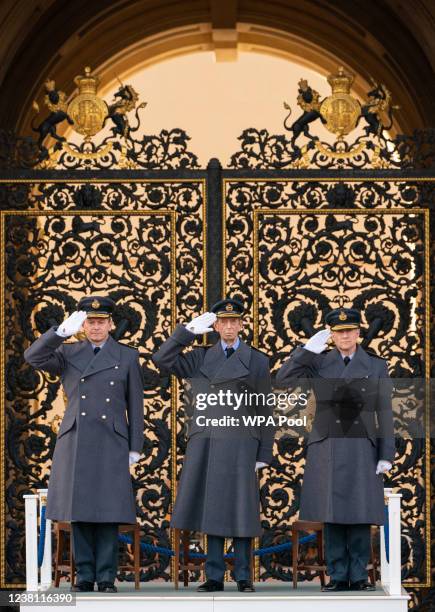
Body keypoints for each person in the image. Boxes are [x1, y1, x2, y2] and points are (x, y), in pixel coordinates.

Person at [152, 298, 275, 592]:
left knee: (242, 508)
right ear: (216, 326)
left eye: (235, 321)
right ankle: (215, 575)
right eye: (224, 322)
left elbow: (265, 408)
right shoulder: (199, 357)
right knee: (213, 508)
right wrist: (187, 332)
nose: (229, 326)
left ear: (242, 325)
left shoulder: (257, 360)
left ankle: (244, 575)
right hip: (207, 440)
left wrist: (264, 452)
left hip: (242, 441)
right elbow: (161, 360)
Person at [24, 296, 144, 593]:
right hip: (77, 437)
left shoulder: (126, 355)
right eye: (90, 322)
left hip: (112, 438)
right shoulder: (68, 351)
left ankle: (106, 577)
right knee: (79, 510)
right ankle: (85, 576)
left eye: (101, 321)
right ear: (83, 325)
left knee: (108, 511)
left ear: (110, 324)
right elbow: (33, 357)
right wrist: (60, 333)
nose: (95, 327)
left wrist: (135, 446)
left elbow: (136, 404)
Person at [276, 307, 394, 592]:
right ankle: (338, 574)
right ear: (331, 335)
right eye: (339, 332)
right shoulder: (317, 362)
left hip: (361, 444)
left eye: (350, 331)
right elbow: (282, 381)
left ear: (358, 333)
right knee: (332, 512)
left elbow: (386, 412)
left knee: (360, 511)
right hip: (327, 442)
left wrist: (385, 454)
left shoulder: (376, 365)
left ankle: (359, 575)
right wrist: (306, 351)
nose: (345, 336)